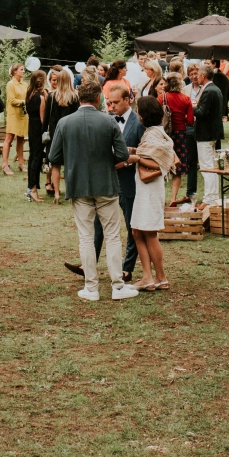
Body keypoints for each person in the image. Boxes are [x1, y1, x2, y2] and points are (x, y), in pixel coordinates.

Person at [47, 78, 139, 302]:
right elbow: (123, 155)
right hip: (106, 184)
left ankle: (91, 288)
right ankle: (118, 286)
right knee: (113, 237)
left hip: (78, 185)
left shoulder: (65, 123)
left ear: (80, 97)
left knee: (86, 237)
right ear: (98, 98)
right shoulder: (108, 122)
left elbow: (53, 157)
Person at [65, 83, 143, 283]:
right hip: (105, 182)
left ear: (128, 100)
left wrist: (126, 160)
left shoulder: (138, 123)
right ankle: (88, 266)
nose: (112, 106)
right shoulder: (105, 120)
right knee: (98, 225)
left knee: (130, 225)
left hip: (128, 181)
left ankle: (127, 268)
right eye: (109, 102)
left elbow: (144, 152)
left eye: (116, 102)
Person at [128, 96, 174, 291]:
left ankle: (159, 276)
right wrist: (137, 151)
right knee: (137, 230)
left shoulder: (155, 135)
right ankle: (148, 276)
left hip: (151, 190)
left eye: (139, 110)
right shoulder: (152, 133)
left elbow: (159, 163)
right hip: (144, 189)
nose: (137, 114)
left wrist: (136, 158)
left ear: (144, 115)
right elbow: (150, 154)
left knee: (149, 232)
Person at [191, 66, 224, 212]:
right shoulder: (216, 89)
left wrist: (191, 107)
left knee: (206, 167)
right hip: (213, 132)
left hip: (205, 133)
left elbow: (201, 112)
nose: (196, 76)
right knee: (211, 165)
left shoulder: (209, 90)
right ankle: (214, 196)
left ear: (203, 75)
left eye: (198, 74)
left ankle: (209, 198)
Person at [45, 69, 79, 204]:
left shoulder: (52, 96)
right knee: (70, 164)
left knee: (55, 164)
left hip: (55, 133)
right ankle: (70, 193)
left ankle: (57, 193)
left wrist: (43, 133)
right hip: (71, 132)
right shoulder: (75, 97)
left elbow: (46, 118)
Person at [161, 74, 193, 207]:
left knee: (162, 166)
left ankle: (162, 197)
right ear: (180, 84)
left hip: (164, 135)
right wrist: (183, 118)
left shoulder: (161, 98)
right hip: (180, 135)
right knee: (178, 169)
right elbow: (191, 121)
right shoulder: (186, 99)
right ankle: (173, 198)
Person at [23, 68, 46, 202]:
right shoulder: (40, 97)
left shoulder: (29, 95)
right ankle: (32, 189)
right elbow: (42, 118)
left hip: (31, 126)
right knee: (36, 158)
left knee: (33, 156)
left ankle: (31, 187)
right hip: (38, 129)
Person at [3, 63, 29, 176]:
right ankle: (5, 165)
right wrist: (24, 102)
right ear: (15, 72)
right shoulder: (10, 84)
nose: (23, 71)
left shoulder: (25, 84)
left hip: (23, 114)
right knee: (9, 138)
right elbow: (12, 100)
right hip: (13, 114)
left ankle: (21, 163)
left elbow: (28, 97)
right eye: (21, 70)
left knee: (21, 139)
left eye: (24, 70)